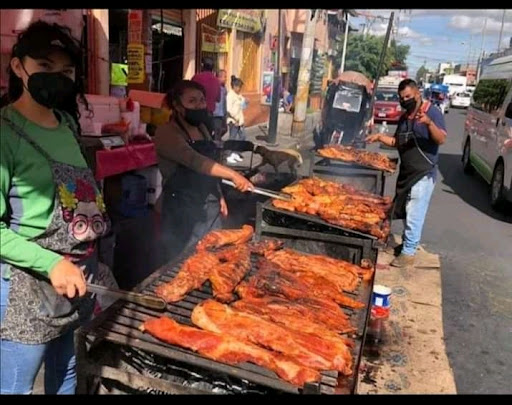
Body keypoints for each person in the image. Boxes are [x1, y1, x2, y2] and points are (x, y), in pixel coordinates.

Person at [0, 21, 110, 394]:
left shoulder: (66, 125)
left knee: (65, 378)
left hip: (78, 278)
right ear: (18, 66)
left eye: (65, 71)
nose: (57, 78)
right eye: (44, 66)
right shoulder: (4, 132)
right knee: (16, 387)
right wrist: (52, 263)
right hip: (28, 286)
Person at [154, 80, 254, 262]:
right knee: (182, 260)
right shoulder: (166, 133)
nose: (198, 105)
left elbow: (212, 162)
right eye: (191, 101)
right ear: (177, 105)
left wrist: (220, 195)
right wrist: (233, 175)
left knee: (213, 255)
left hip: (210, 205)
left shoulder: (202, 128)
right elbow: (197, 161)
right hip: (181, 209)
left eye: (201, 100)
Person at [366, 78, 446, 267]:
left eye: (408, 97)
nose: (405, 101)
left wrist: (428, 124)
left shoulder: (432, 112)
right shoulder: (404, 117)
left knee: (414, 211)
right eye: (402, 98)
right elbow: (396, 142)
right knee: (404, 209)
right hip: (407, 172)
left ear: (418, 93)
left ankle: (409, 253)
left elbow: (441, 139)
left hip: (423, 172)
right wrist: (378, 136)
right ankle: (406, 245)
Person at [226, 75, 247, 164]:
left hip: (240, 120)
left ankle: (236, 152)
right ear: (234, 86)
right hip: (233, 120)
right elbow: (229, 109)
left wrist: (245, 102)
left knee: (242, 137)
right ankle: (229, 154)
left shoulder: (239, 95)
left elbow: (243, 106)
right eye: (238, 87)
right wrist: (235, 119)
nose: (239, 88)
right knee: (232, 138)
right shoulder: (230, 95)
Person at [212, 69, 228, 141]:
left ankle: (214, 140)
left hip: (222, 113)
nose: (226, 79)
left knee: (224, 129)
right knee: (217, 131)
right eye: (224, 77)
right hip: (216, 113)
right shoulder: (215, 86)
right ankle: (216, 145)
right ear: (219, 77)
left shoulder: (224, 88)